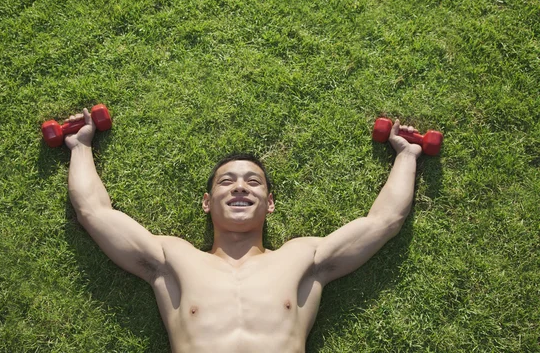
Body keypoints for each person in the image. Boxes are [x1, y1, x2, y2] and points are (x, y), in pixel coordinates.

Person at [65, 108, 422, 353]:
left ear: (269, 204)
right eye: (227, 182)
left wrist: (407, 155)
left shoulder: (303, 258)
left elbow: (383, 221)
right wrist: (80, 147)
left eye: (253, 182)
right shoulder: (172, 258)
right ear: (207, 202)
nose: (240, 187)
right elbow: (94, 212)